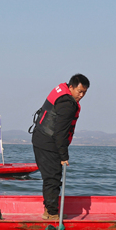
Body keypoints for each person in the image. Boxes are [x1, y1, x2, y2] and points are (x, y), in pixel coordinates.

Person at [30, 74, 90, 220]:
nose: (81, 95)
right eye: (79, 91)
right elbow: (60, 132)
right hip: (47, 142)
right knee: (53, 178)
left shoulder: (62, 93)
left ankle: (49, 210)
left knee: (51, 177)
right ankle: (51, 214)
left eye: (84, 93)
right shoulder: (67, 104)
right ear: (71, 87)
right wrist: (64, 156)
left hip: (40, 138)